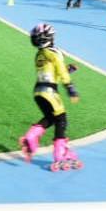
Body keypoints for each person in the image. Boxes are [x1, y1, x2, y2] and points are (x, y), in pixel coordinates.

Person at [18, 23, 82, 172]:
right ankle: (60, 154)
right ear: (49, 37)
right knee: (61, 119)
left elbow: (51, 73)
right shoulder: (54, 52)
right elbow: (59, 69)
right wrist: (70, 87)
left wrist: (67, 70)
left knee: (51, 117)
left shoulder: (39, 55)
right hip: (50, 91)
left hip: (38, 91)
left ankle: (31, 136)